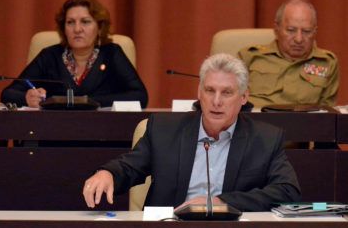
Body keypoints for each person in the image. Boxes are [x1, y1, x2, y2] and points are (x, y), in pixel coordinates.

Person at [83, 53, 301, 211]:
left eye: (227, 93)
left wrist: (221, 202)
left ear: (243, 97)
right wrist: (108, 173)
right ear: (199, 92)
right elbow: (129, 167)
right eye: (209, 90)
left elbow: (288, 191)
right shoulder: (163, 130)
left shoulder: (264, 138)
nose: (216, 101)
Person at [1, 0, 148, 108]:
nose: (77, 29)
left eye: (85, 22)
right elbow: (8, 94)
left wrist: (88, 102)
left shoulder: (111, 54)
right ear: (63, 28)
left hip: (102, 135)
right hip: (54, 135)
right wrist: (26, 97)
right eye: (70, 22)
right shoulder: (50, 56)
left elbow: (140, 96)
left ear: (99, 27)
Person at [238, 0, 339, 108]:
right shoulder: (250, 57)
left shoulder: (327, 62)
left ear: (315, 32)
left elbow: (327, 114)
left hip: (302, 123)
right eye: (291, 30)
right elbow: (233, 101)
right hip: (256, 122)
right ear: (277, 29)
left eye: (306, 31)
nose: (299, 39)